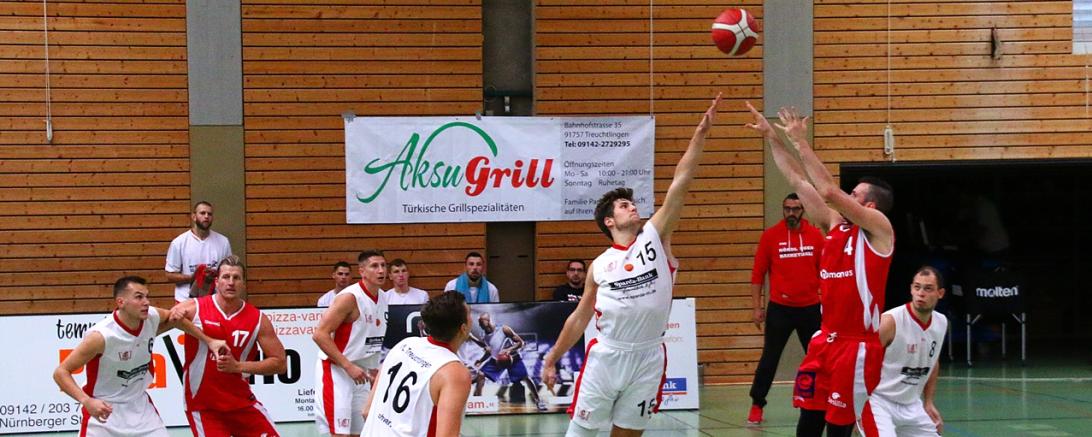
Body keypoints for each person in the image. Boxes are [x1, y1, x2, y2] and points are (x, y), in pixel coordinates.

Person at [542, 94, 722, 436]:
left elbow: (679, 185)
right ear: (609, 221)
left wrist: (700, 136)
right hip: (607, 357)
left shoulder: (655, 236)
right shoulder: (599, 265)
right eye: (624, 205)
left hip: (648, 357)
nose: (632, 207)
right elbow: (580, 317)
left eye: (631, 203)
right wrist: (552, 357)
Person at [746, 103, 895, 437]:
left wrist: (801, 141)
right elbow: (798, 180)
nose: (844, 197)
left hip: (856, 346)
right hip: (824, 341)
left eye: (853, 194)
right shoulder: (834, 224)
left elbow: (827, 189)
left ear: (868, 205)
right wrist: (772, 138)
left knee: (837, 429)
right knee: (807, 423)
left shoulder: (879, 229)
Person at [53, 276, 227, 437]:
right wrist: (86, 401)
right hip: (104, 412)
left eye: (146, 296)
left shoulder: (151, 316)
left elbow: (175, 319)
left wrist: (209, 341)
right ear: (121, 302)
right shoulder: (101, 336)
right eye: (138, 297)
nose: (146, 302)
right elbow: (61, 372)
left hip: (140, 409)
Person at [169, 255, 288, 436]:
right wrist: (176, 314)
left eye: (236, 278)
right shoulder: (195, 308)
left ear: (244, 284)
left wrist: (237, 366)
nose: (231, 282)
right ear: (216, 282)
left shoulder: (257, 319)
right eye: (226, 277)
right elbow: (166, 318)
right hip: (204, 407)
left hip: (242, 403)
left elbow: (280, 364)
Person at [746, 193, 825, 424]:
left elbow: (826, 273)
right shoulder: (771, 236)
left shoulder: (815, 237)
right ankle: (757, 403)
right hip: (780, 309)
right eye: (787, 208)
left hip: (810, 309)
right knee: (770, 358)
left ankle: (824, 401)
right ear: (783, 210)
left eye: (796, 209)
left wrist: (828, 305)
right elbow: (757, 274)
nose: (791, 213)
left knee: (819, 360)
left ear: (804, 210)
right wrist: (757, 307)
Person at [361, 291, 473, 437]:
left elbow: (366, 411)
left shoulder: (404, 344)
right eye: (470, 314)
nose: (472, 318)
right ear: (463, 328)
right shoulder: (454, 372)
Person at [861, 267, 947, 437]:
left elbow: (932, 362)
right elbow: (861, 362)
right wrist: (856, 406)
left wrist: (928, 402)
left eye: (928, 289)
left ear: (940, 293)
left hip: (912, 406)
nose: (921, 293)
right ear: (911, 289)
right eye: (917, 287)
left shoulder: (941, 322)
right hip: (878, 402)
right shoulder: (890, 321)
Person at [312, 250, 390, 437]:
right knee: (340, 433)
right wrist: (348, 366)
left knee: (360, 432)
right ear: (362, 271)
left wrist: (373, 367)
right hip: (337, 370)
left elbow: (371, 338)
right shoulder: (349, 298)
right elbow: (319, 334)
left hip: (361, 372)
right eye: (374, 266)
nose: (381, 270)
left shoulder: (384, 297)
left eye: (383, 265)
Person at [474, 313, 546, 411]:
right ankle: (479, 402)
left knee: (526, 378)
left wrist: (509, 350)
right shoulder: (485, 337)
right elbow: (491, 351)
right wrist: (481, 360)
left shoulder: (504, 329)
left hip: (513, 358)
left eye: (481, 322)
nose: (479, 325)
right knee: (480, 374)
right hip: (497, 360)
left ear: (488, 321)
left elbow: (521, 343)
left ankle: (538, 400)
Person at [165, 201, 233, 302]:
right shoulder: (179, 242)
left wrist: (214, 276)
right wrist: (194, 277)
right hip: (185, 300)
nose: (206, 216)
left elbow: (230, 271)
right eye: (202, 213)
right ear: (194, 216)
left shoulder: (223, 242)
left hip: (214, 300)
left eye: (209, 214)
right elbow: (169, 275)